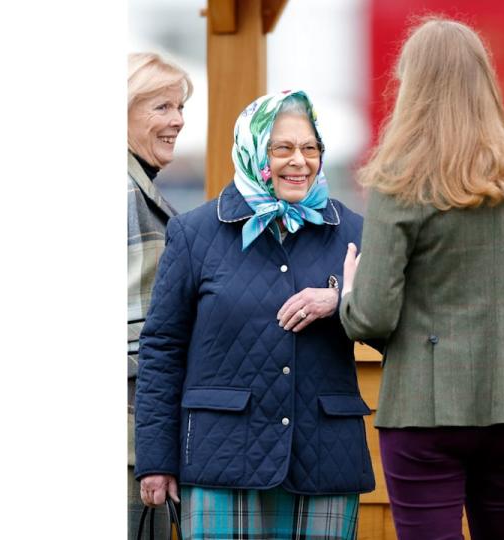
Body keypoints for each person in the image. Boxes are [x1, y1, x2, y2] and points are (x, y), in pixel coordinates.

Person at [339, 18, 504, 540]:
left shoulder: (397, 180)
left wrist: (347, 294)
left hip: (422, 407)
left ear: (412, 89)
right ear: (486, 83)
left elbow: (373, 316)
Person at [135, 90, 375, 540]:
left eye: (310, 148)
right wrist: (156, 460)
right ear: (251, 148)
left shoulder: (355, 232)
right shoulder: (196, 233)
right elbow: (162, 349)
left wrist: (343, 301)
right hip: (218, 458)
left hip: (324, 458)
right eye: (281, 148)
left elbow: (393, 330)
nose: (299, 162)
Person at [127, 51, 193, 540]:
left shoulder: (140, 187)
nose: (177, 121)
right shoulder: (126, 193)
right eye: (161, 107)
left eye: (179, 107)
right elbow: (135, 333)